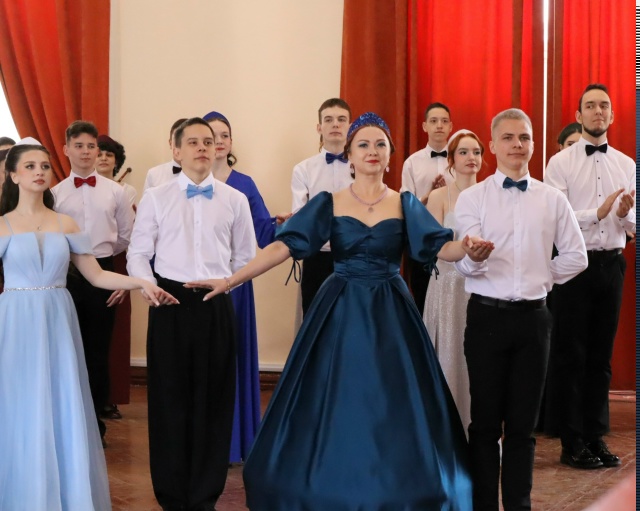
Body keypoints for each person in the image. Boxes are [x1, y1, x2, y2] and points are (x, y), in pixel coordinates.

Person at [186, 112, 495, 511]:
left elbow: (441, 248)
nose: (372, 151)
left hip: (391, 311)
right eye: (363, 144)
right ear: (349, 154)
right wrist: (231, 280)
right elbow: (282, 247)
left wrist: (467, 250)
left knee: (394, 398)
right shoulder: (328, 203)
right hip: (341, 306)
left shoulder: (404, 203)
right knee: (336, 395)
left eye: (380, 144)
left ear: (390, 155)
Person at [0, 140, 176, 510]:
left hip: (58, 317)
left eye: (44, 166)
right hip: (16, 321)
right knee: (20, 401)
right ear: (13, 175)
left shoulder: (66, 223)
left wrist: (141, 283)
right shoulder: (2, 226)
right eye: (30, 166)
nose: (39, 172)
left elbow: (96, 275)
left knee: (60, 398)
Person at [455, 108, 587, 511]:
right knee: (484, 424)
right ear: (492, 146)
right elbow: (463, 265)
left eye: (524, 137)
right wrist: (475, 258)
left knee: (523, 427)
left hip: (534, 321)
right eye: (509, 138)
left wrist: (542, 275)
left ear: (533, 144)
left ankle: (519, 505)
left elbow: (577, 256)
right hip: (486, 318)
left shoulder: (553, 199)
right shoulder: (472, 198)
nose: (517, 144)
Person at [127, 117, 256, 511]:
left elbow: (246, 257)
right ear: (176, 150)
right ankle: (171, 494)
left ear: (218, 149)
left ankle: (204, 495)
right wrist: (148, 285)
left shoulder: (235, 199)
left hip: (215, 304)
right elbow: (138, 253)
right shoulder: (156, 197)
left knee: (214, 401)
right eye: (194, 142)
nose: (203, 147)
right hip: (169, 303)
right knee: (169, 400)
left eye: (209, 141)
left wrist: (227, 283)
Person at [544, 84, 635, 470]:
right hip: (573, 267)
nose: (598, 111)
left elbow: (633, 225)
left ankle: (595, 436)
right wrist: (596, 214)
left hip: (611, 266)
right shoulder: (559, 163)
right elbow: (556, 219)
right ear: (579, 115)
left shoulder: (627, 164)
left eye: (604, 106)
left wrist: (623, 215)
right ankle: (571, 442)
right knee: (571, 355)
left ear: (612, 115)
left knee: (601, 356)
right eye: (591, 106)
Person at [203, 110, 289, 463]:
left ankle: (234, 443)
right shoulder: (185, 184)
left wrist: (292, 225)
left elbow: (266, 234)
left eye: (224, 135)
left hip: (235, 285)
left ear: (231, 141)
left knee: (232, 359)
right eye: (212, 136)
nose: (219, 141)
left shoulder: (245, 184)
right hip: (195, 285)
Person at [52, 121, 135, 447]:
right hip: (66, 274)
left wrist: (112, 272)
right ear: (66, 149)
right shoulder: (55, 194)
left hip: (102, 270)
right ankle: (68, 423)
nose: (86, 152)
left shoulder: (116, 192)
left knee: (99, 350)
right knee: (68, 349)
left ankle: (95, 425)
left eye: (91, 147)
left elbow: (126, 236)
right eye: (79, 146)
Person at [423, 129, 483, 434]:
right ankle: (445, 431)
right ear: (451, 160)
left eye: (476, 152)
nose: (471, 157)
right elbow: (432, 245)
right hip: (447, 286)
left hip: (482, 286)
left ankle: (478, 429)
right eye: (464, 152)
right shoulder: (439, 196)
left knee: (478, 358)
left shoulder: (490, 194)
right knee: (448, 352)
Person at [291, 98, 353, 315]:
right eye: (328, 120)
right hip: (317, 256)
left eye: (341, 119)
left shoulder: (362, 166)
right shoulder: (303, 169)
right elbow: (300, 215)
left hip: (354, 256)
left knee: (351, 318)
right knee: (315, 318)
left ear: (350, 126)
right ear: (319, 127)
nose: (335, 124)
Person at [400, 102, 454, 313]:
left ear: (451, 126)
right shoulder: (412, 163)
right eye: (433, 121)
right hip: (421, 239)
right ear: (424, 126)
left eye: (444, 121)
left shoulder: (461, 159)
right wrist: (428, 197)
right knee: (421, 296)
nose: (439, 125)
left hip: (454, 237)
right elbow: (405, 205)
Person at [143, 117, 188, 192]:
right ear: (170, 144)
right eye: (177, 140)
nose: (181, 145)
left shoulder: (205, 174)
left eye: (187, 141)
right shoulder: (154, 174)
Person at [97, 134, 137, 208]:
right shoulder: (83, 188)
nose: (103, 158)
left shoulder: (127, 191)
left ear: (116, 161)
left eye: (109, 155)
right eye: (99, 155)